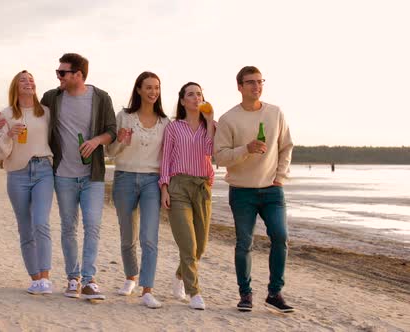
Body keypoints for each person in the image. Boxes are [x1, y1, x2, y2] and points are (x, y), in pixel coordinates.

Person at [0, 53, 116, 300]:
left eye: (62, 73)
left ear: (78, 75)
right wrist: (4, 125)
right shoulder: (53, 99)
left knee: (90, 225)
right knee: (63, 227)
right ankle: (69, 279)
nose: (58, 76)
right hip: (59, 174)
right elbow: (15, 124)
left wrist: (95, 142)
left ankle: (88, 280)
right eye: (57, 73)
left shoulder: (99, 98)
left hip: (84, 173)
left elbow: (111, 130)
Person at [213, 66, 294, 313]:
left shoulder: (275, 113)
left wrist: (280, 177)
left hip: (272, 190)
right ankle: (245, 294)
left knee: (280, 237)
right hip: (242, 191)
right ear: (239, 86)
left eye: (260, 82)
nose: (256, 86)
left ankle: (274, 293)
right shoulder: (229, 119)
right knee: (244, 243)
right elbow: (221, 157)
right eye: (250, 82)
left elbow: (286, 146)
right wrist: (245, 149)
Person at [106, 72, 169, 309]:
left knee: (149, 237)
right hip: (124, 178)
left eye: (157, 88)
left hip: (153, 181)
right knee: (127, 235)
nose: (153, 92)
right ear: (139, 90)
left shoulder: (166, 122)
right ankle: (130, 277)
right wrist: (121, 140)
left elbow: (168, 158)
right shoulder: (124, 116)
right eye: (149, 87)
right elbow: (111, 153)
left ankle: (147, 290)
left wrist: (165, 186)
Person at [0, 70, 55, 295]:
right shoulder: (6, 114)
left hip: (44, 171)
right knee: (25, 227)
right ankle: (35, 278)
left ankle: (46, 277)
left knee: (41, 222)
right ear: (15, 87)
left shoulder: (46, 112)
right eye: (23, 80)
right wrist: (8, 134)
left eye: (31, 79)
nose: (29, 82)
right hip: (17, 173)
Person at [159, 82, 216, 310]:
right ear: (182, 101)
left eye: (199, 94)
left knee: (200, 247)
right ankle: (194, 293)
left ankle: (179, 275)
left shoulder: (210, 126)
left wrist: (211, 121)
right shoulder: (173, 127)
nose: (195, 98)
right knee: (188, 244)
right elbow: (165, 159)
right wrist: (164, 187)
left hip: (202, 187)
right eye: (190, 94)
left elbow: (211, 152)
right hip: (178, 186)